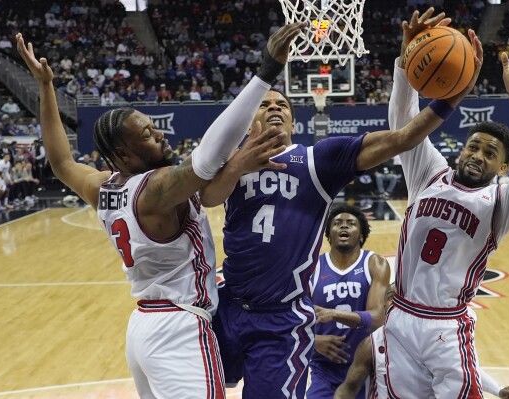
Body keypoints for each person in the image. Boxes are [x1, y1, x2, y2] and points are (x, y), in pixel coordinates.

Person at [200, 8, 482, 398]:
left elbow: (401, 138)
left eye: (283, 105)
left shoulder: (318, 160)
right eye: (265, 105)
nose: (276, 108)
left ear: (294, 122)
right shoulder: (230, 159)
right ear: (249, 120)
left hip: (279, 318)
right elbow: (208, 196)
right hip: (228, 304)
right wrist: (240, 164)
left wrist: (453, 95)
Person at [16, 22, 305, 399]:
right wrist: (265, 72)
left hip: (142, 327)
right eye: (149, 136)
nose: (162, 136)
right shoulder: (154, 189)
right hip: (180, 329)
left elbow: (61, 162)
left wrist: (45, 87)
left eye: (156, 128)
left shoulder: (103, 186)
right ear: (123, 154)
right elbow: (206, 160)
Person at [384, 15, 509, 398]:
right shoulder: (428, 173)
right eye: (473, 146)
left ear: (504, 168)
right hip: (399, 317)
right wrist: (406, 63)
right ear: (461, 149)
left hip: (447, 326)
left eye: (491, 153)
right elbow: (402, 124)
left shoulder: (500, 203)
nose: (478, 155)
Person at [334, 286, 509, 399]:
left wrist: (498, 390)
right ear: (384, 305)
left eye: (399, 299)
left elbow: (463, 372)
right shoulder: (371, 345)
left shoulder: (434, 337)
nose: (395, 303)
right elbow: (349, 388)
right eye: (391, 298)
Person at [307, 205, 391, 399]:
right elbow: (296, 318)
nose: (344, 227)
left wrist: (334, 314)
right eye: (337, 223)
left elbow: (378, 318)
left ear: (361, 235)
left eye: (351, 223)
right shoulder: (313, 267)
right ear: (328, 235)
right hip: (323, 367)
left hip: (365, 367)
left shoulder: (374, 263)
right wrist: (314, 342)